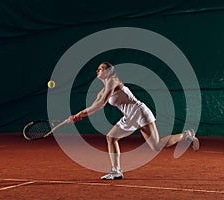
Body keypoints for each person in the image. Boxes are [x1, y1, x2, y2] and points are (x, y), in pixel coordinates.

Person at [69, 62, 199, 180]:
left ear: (108, 71)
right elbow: (94, 106)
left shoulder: (113, 81)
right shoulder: (103, 90)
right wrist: (78, 115)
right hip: (133, 114)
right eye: (97, 69)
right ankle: (187, 135)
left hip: (139, 112)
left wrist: (80, 114)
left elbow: (101, 104)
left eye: (100, 68)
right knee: (156, 145)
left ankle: (116, 171)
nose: (97, 70)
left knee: (111, 137)